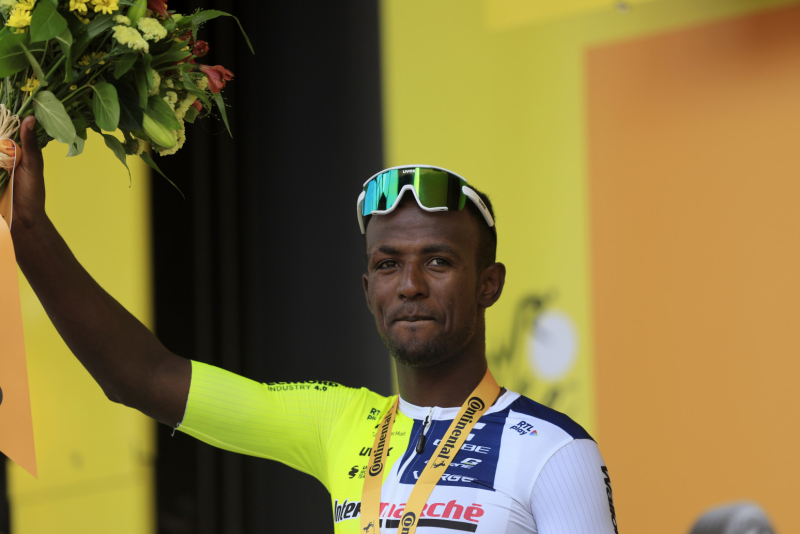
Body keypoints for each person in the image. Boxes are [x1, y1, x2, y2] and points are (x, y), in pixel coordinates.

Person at [11, 115, 619, 533]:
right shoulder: (340, 423)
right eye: (387, 265)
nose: (409, 285)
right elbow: (142, 378)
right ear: (367, 290)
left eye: (438, 261)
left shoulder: (555, 452)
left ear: (489, 284)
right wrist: (29, 227)